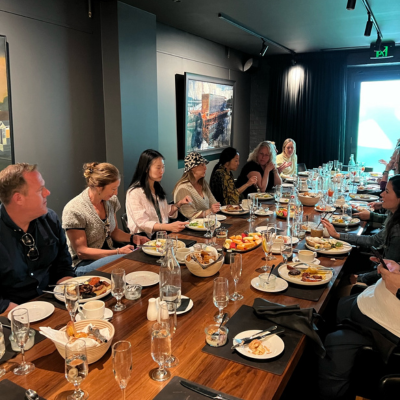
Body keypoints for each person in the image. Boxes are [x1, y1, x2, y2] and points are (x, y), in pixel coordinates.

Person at [318, 257, 400, 400]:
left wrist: (398, 290)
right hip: (372, 301)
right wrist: (397, 268)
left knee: (333, 340)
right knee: (326, 311)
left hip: (386, 325)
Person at [0, 163, 75, 314]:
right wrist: (21, 315)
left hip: (54, 302)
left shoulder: (50, 219)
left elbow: (63, 265)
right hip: (13, 314)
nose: (48, 192)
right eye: (40, 189)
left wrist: (70, 292)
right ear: (18, 198)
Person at [62, 162, 148, 276]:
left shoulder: (110, 202)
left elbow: (114, 232)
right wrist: (117, 252)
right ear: (99, 187)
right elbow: (82, 252)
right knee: (128, 262)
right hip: (84, 264)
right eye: (113, 189)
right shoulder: (75, 210)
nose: (116, 193)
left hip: (110, 254)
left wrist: (134, 238)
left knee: (141, 257)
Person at [322, 175, 400, 285]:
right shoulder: (394, 216)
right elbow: (375, 239)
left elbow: (389, 270)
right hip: (377, 266)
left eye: (387, 191)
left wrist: (360, 278)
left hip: (382, 281)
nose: (382, 194)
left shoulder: (397, 231)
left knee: (336, 275)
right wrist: (338, 235)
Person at [126, 149, 191, 238]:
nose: (162, 171)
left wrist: (179, 203)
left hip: (161, 237)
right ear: (146, 168)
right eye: (158, 167)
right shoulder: (134, 192)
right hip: (144, 240)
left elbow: (165, 212)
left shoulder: (157, 187)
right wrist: (169, 227)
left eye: (163, 167)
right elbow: (142, 223)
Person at [173, 152, 220, 219]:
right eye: (202, 165)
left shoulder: (203, 183)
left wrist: (216, 207)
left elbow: (214, 203)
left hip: (207, 223)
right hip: (191, 226)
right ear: (192, 167)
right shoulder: (183, 188)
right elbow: (190, 215)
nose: (205, 168)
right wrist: (209, 211)